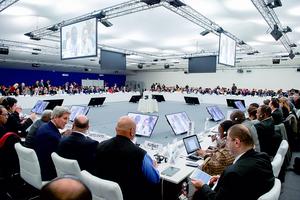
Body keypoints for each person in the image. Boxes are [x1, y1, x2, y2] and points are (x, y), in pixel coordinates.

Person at [191, 124, 275, 200]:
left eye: (227, 140)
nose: (226, 143)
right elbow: (248, 180)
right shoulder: (263, 156)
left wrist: (202, 186)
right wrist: (222, 179)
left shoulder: (233, 172)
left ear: (237, 142)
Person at [95, 116, 160, 200]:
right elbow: (155, 179)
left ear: (116, 129)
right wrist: (154, 167)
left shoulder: (101, 145)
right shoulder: (140, 154)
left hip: (105, 193)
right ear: (132, 132)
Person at [34, 106, 71, 181]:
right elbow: (61, 156)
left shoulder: (44, 126)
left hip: (40, 167)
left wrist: (62, 136)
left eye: (68, 119)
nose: (66, 122)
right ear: (55, 117)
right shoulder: (52, 136)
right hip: (49, 174)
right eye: (65, 118)